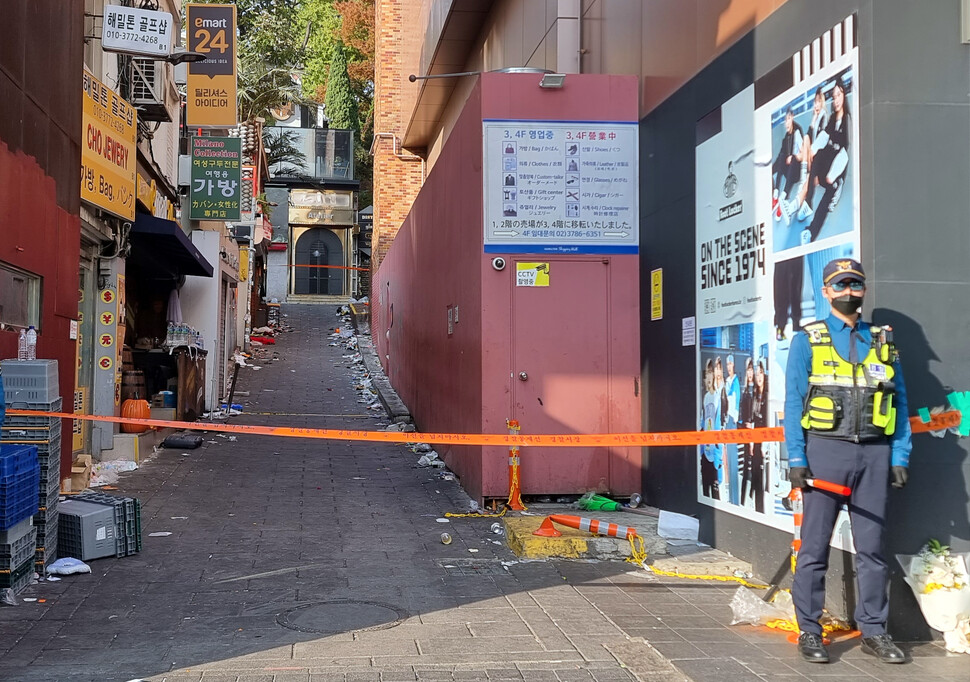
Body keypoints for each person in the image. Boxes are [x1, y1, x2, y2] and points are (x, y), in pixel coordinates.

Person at [784, 258, 911, 665]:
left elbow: (900, 400)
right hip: (825, 453)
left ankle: (874, 630)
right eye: (840, 285)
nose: (848, 291)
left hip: (874, 455)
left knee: (873, 550)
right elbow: (791, 402)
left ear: (864, 289)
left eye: (855, 284)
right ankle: (809, 631)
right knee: (814, 549)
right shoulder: (808, 340)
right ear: (826, 291)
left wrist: (899, 454)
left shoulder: (883, 340)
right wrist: (796, 458)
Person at [787, 78, 851, 242]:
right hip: (827, 161)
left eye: (839, 95)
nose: (836, 100)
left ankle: (812, 232)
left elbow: (844, 152)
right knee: (818, 155)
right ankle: (806, 203)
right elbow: (824, 137)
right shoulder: (832, 119)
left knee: (829, 192)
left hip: (836, 171)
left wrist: (833, 174)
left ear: (844, 96)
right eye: (834, 96)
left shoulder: (847, 121)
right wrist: (813, 150)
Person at [771, 108, 805, 221]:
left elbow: (803, 152)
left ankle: (783, 198)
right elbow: (781, 157)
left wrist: (793, 157)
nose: (786, 122)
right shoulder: (786, 138)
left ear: (792, 118)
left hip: (796, 171)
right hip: (788, 170)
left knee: (794, 159)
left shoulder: (797, 132)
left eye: (788, 119)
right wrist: (770, 170)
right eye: (785, 120)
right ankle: (775, 195)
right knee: (781, 157)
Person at [700, 359, 723, 500]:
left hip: (715, 450)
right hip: (705, 449)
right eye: (707, 373)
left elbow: (719, 424)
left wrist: (719, 453)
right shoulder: (706, 397)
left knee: (715, 491)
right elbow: (703, 423)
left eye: (711, 373)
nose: (709, 377)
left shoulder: (718, 397)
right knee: (705, 488)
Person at [724, 355, 742, 505]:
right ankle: (731, 498)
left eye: (730, 363)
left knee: (733, 460)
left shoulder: (735, 381)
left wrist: (734, 419)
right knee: (728, 462)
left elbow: (736, 402)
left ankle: (735, 499)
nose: (728, 366)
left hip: (732, 420)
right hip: (726, 420)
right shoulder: (727, 381)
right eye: (727, 364)